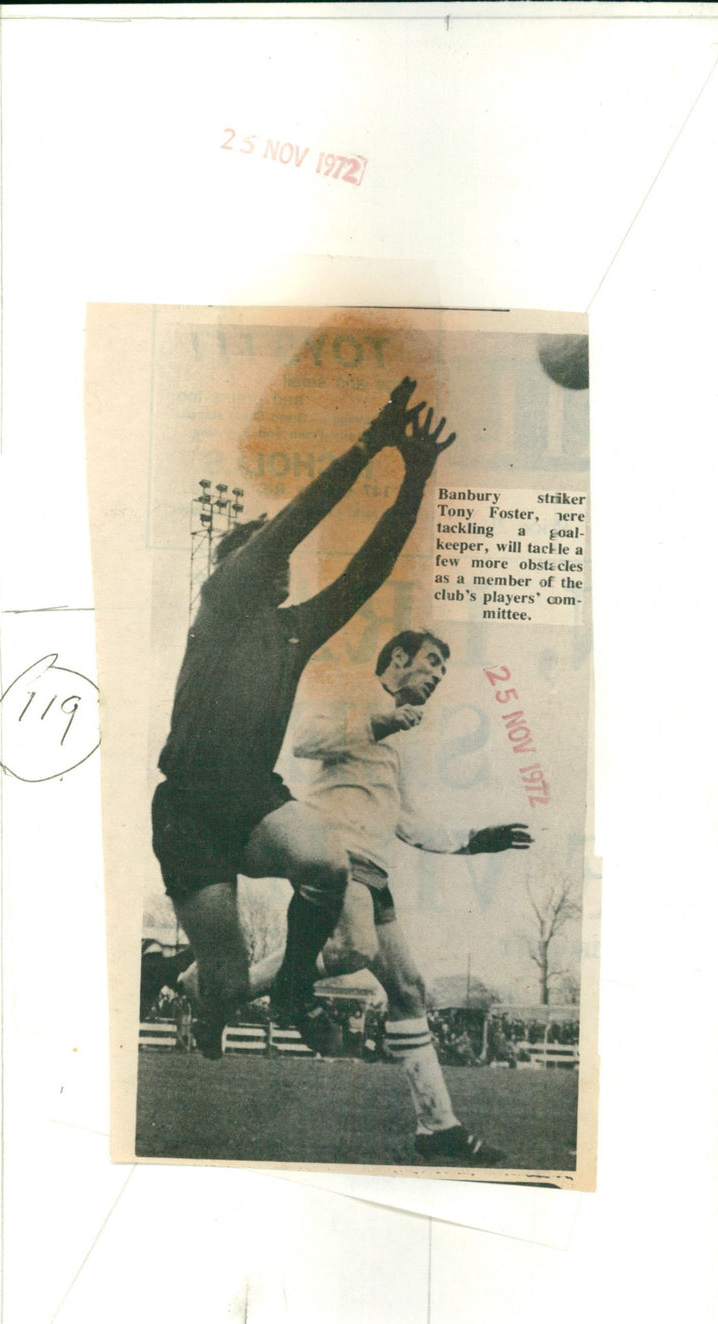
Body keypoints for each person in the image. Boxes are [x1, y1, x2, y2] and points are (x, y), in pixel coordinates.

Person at [151, 380, 456, 1057]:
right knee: (227, 982)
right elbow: (300, 515)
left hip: (253, 793)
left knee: (325, 860)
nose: (277, 551)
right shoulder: (223, 604)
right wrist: (369, 443)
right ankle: (211, 1001)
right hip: (189, 807)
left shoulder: (292, 632)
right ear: (234, 562)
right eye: (263, 543)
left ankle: (292, 988)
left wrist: (416, 475)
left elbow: (368, 571)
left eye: (276, 547)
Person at [289, 629, 532, 1167]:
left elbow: (410, 822)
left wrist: (474, 841)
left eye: (443, 671)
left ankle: (436, 1129)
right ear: (396, 657)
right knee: (353, 955)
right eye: (430, 663)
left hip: (372, 871)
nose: (437, 676)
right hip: (334, 856)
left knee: (409, 991)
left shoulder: (398, 742)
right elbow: (303, 739)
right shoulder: (357, 697)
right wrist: (379, 721)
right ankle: (222, 979)